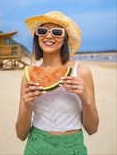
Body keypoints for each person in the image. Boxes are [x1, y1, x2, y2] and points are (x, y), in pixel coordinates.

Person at [15, 11, 99, 155]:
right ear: (37, 37)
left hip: (73, 148)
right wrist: (27, 106)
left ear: (65, 38)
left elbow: (92, 129)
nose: (48, 36)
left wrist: (86, 99)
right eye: (42, 31)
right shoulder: (28, 76)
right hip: (36, 148)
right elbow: (20, 134)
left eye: (56, 32)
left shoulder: (82, 71)